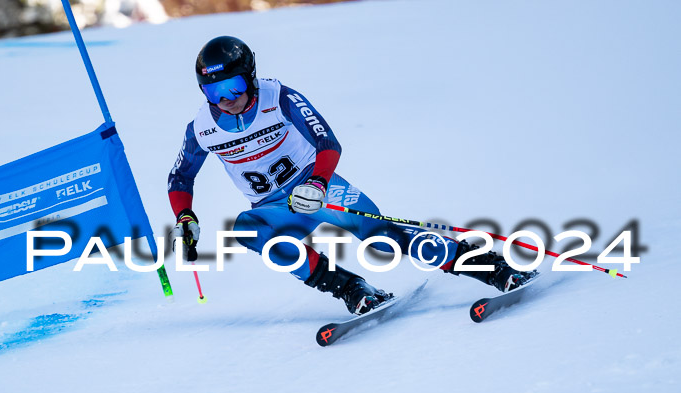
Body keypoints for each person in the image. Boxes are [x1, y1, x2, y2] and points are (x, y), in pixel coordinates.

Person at [168, 36, 534, 315]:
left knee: (381, 239)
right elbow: (180, 179)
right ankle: (352, 289)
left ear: (250, 77)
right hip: (272, 206)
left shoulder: (278, 97)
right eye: (213, 91)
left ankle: (492, 268)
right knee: (247, 230)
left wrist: (318, 182)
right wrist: (184, 216)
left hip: (315, 185)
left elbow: (328, 144)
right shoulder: (201, 128)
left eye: (233, 86)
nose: (226, 99)